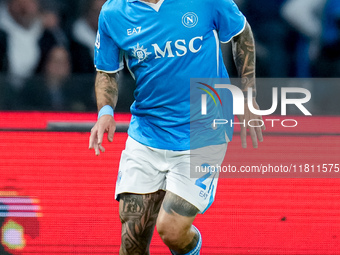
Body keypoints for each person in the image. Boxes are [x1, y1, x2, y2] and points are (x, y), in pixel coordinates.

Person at [89, 0, 264, 254]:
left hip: (204, 130)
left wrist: (248, 93)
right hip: (147, 133)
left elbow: (241, 33)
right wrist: (105, 111)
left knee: (171, 229)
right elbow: (106, 71)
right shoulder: (113, 12)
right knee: (132, 240)